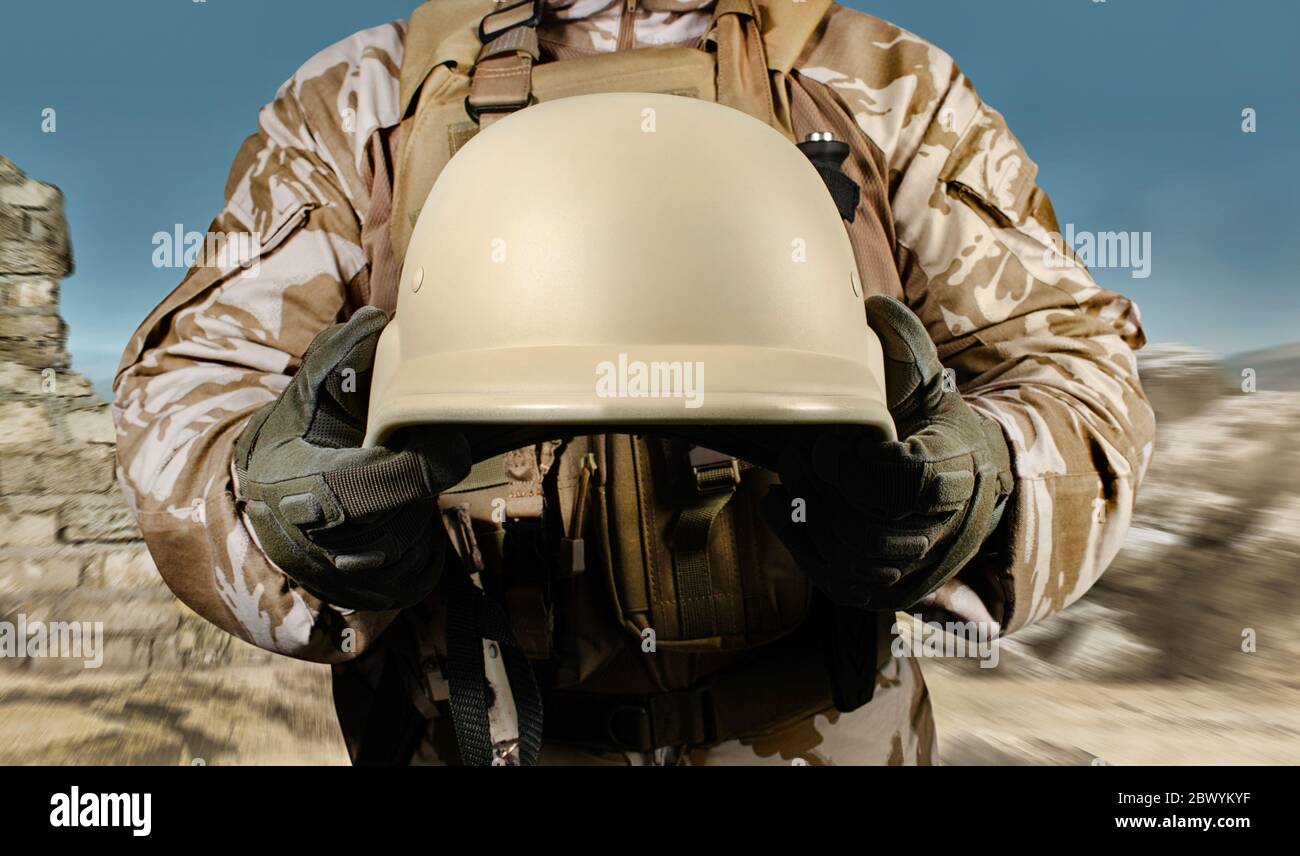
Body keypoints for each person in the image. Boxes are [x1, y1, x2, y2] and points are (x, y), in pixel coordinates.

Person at [113, 0, 1154, 765]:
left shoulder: (884, 85)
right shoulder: (362, 105)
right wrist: (291, 521)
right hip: (469, 736)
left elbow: (1071, 367)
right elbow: (192, 400)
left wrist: (980, 491)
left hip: (823, 735)